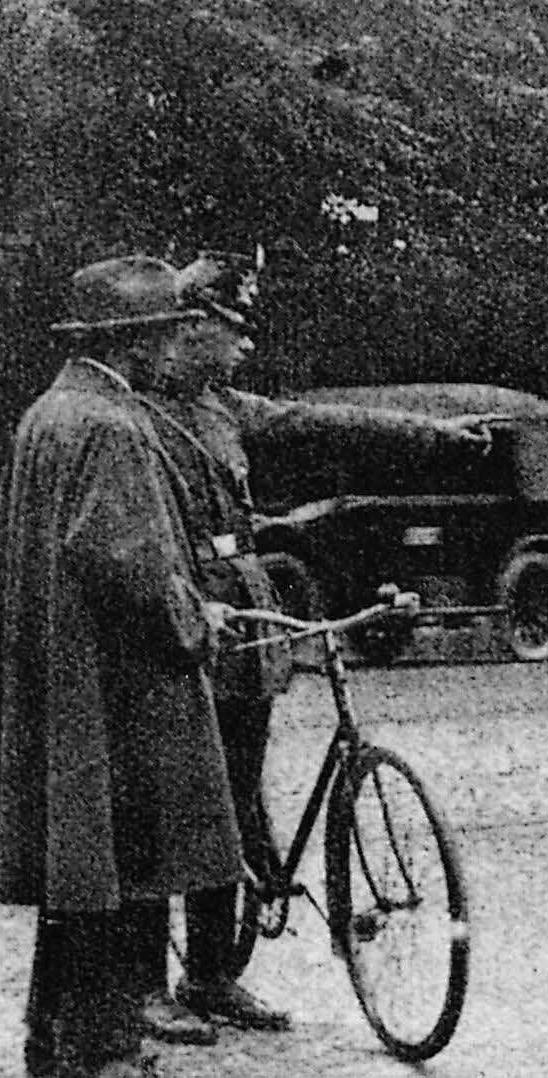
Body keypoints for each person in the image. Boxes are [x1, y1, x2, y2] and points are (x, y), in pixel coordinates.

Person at [124, 250, 501, 1038]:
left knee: (235, 807)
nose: (244, 346)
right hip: (184, 629)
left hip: (246, 626)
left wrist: (434, 436)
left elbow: (318, 420)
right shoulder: (134, 418)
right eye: (232, 329)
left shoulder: (225, 410)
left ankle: (214, 975)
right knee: (172, 810)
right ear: (189, 328)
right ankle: (143, 989)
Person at [0, 256, 244, 1078]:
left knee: (79, 874)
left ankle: (54, 1043)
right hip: (120, 691)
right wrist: (195, 617)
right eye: (168, 334)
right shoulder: (113, 423)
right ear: (136, 344)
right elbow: (130, 563)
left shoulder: (49, 411)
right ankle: (99, 1054)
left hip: (65, 678)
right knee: (120, 868)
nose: (178, 349)